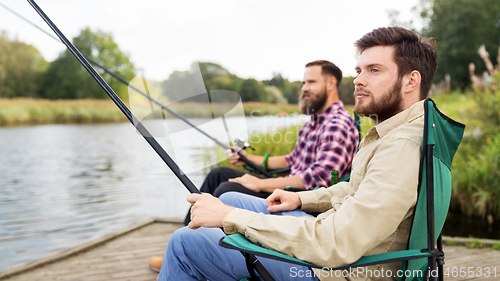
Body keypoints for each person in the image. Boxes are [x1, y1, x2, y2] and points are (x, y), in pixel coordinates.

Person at [157, 26, 438, 281]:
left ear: (410, 81)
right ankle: (209, 258)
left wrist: (236, 213)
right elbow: (353, 189)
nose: (358, 81)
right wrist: (297, 195)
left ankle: (198, 258)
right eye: (358, 71)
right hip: (334, 237)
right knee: (228, 194)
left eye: (373, 70)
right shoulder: (394, 132)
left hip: (339, 269)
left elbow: (336, 239)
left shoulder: (399, 145)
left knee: (185, 242)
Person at [149, 60, 359, 272]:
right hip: (286, 188)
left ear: (331, 83)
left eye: (311, 82)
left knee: (225, 190)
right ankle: (185, 240)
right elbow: (291, 160)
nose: (304, 88)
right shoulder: (314, 122)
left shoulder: (337, 124)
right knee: (218, 174)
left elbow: (317, 178)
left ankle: (210, 255)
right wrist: (248, 158)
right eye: (304, 82)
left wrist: (260, 183)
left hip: (300, 199)